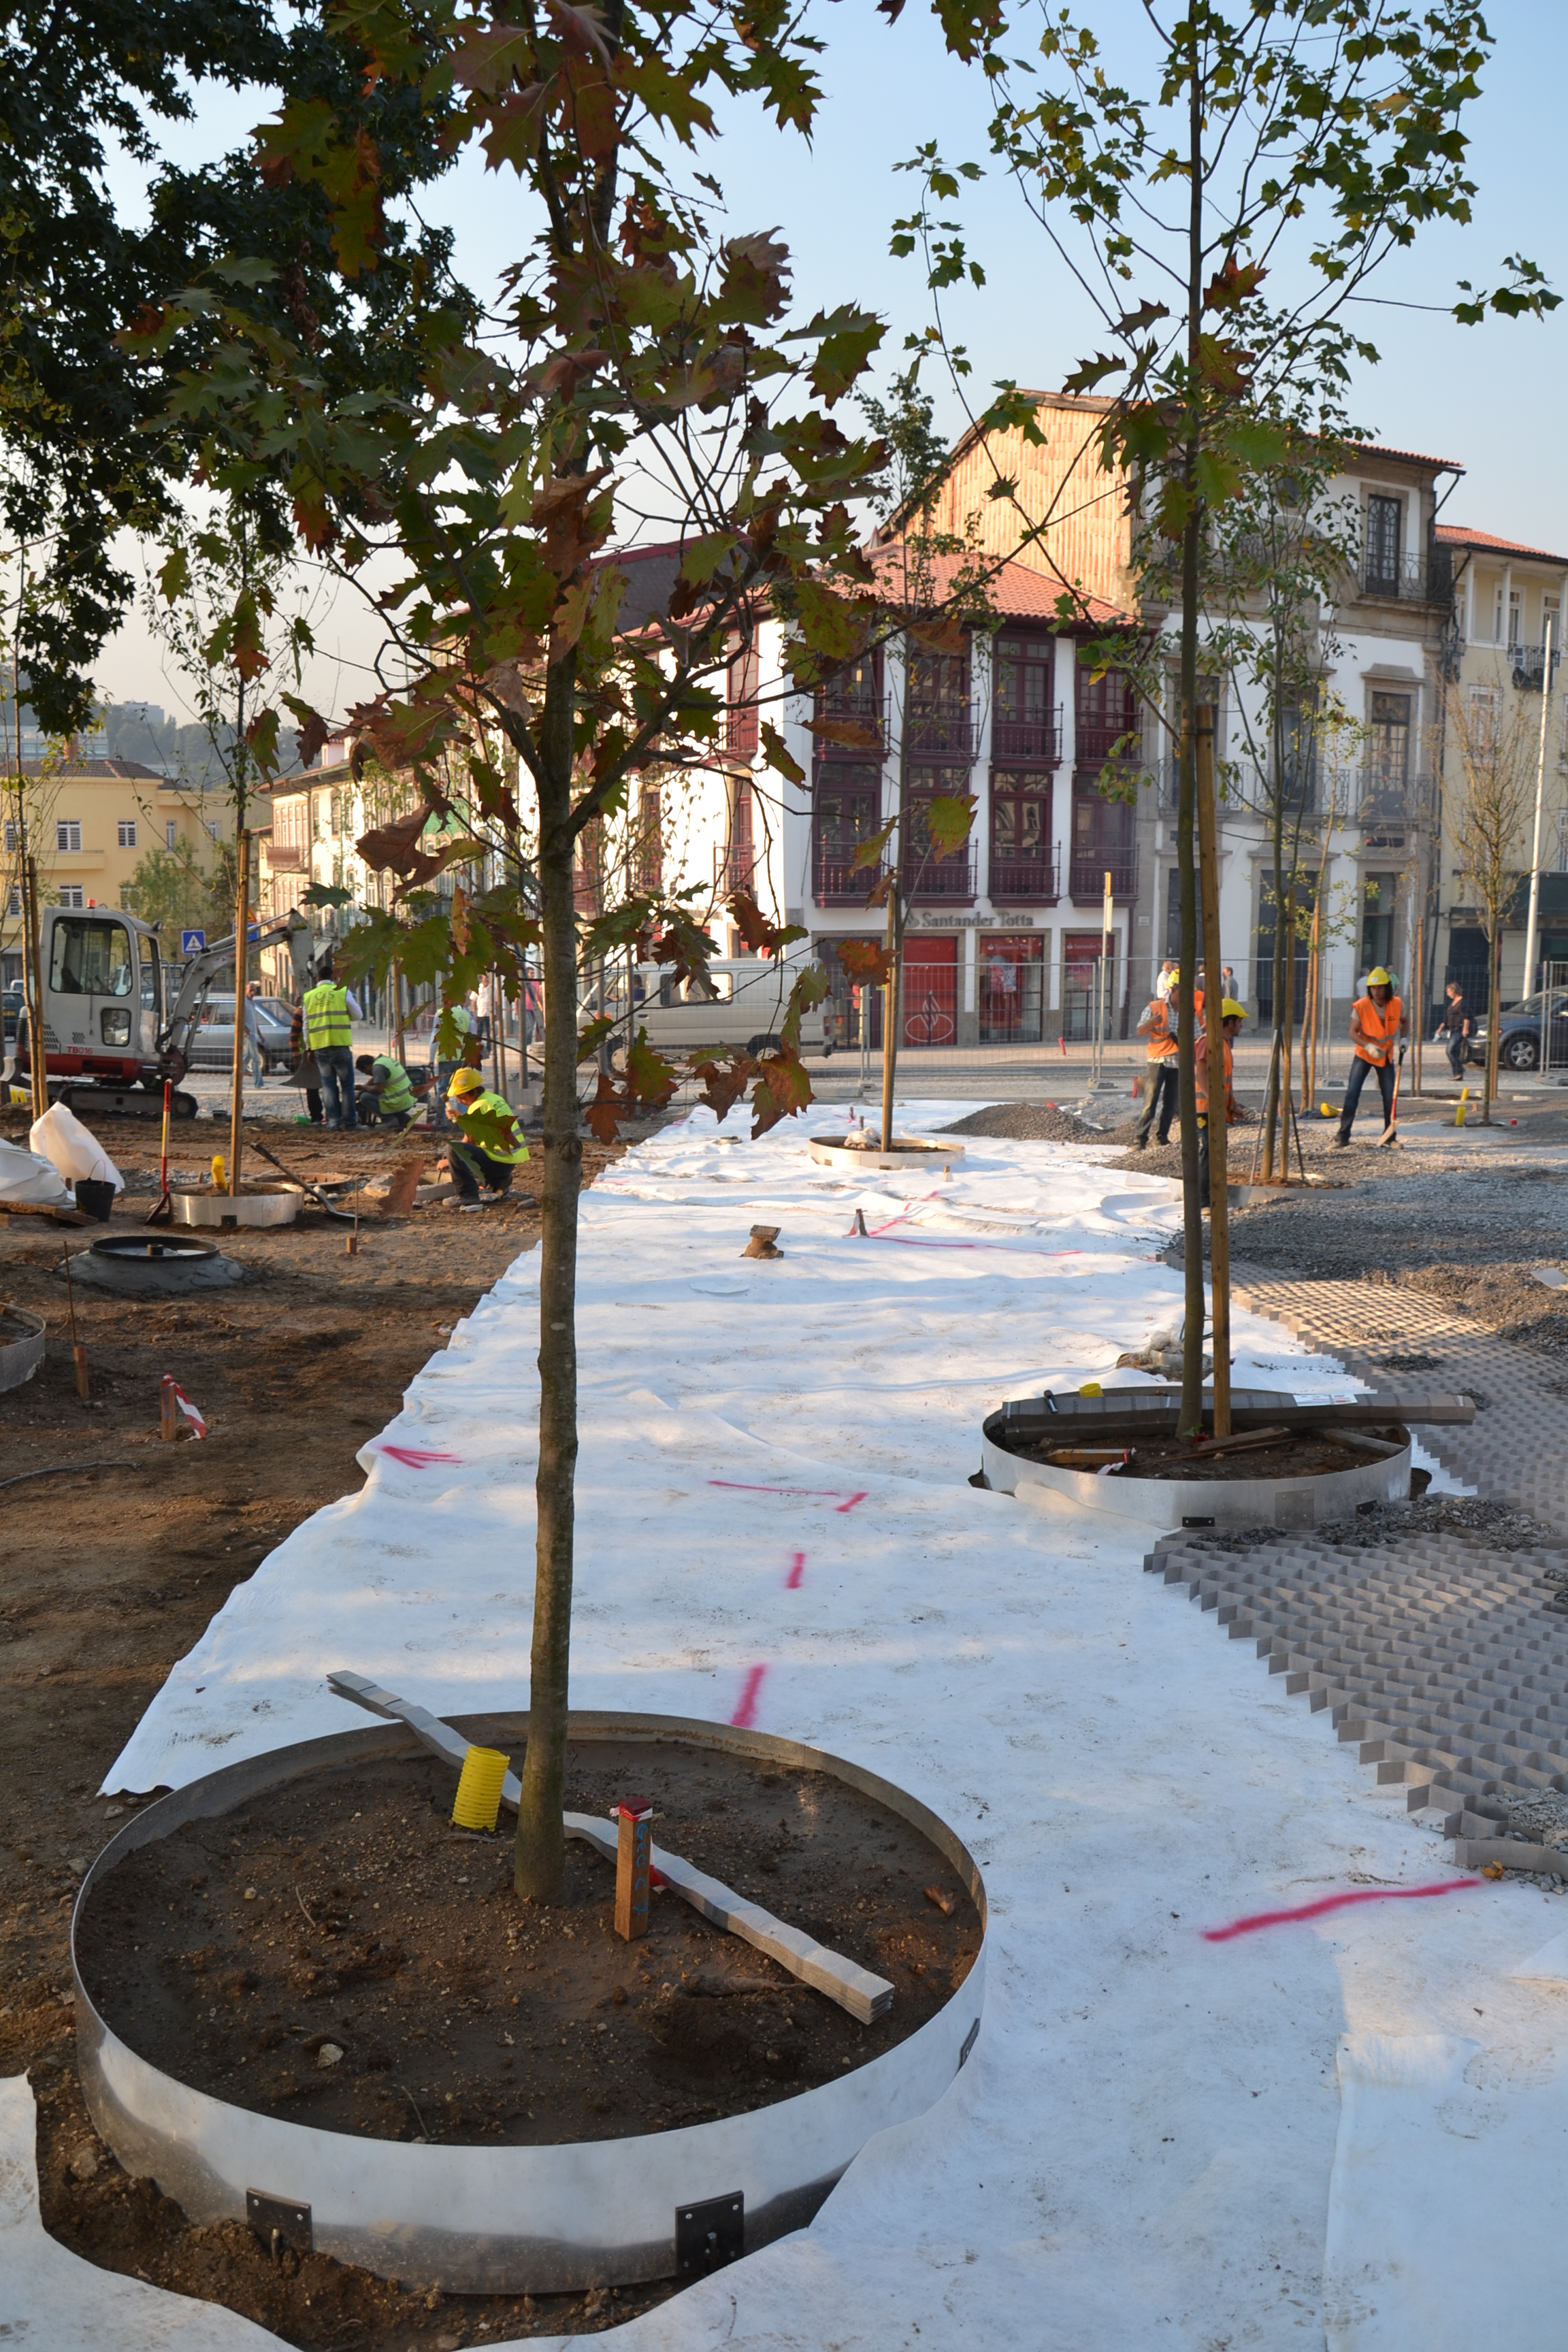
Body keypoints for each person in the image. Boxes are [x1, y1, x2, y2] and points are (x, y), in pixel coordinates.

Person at [1335, 966, 1407, 1147]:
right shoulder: (1361, 1006)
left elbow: (1405, 1021)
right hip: (1364, 1054)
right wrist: (1367, 1046)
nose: (1377, 991)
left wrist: (1404, 1038)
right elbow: (1352, 1032)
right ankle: (1342, 1136)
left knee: (1390, 1097)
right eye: (1373, 988)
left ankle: (1390, 1137)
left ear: (1387, 987)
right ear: (1369, 988)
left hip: (1386, 1056)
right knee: (1352, 1093)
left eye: (1381, 987)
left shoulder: (1397, 1003)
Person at [443, 1066, 529, 1208]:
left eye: (461, 1097)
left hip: (498, 1161)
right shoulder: (492, 1098)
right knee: (468, 1154)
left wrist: (448, 1161)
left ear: (473, 1091)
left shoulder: (478, 1106)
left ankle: (467, 1195)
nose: (459, 1101)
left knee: (454, 1149)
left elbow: (469, 1141)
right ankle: (498, 1182)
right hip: (508, 1161)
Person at [1193, 999, 1245, 1207]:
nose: (1241, 1025)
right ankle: (1204, 1201)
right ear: (1229, 1022)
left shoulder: (1222, 1044)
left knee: (1216, 1152)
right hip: (1206, 1110)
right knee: (1210, 1152)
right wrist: (1214, 1102)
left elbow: (1224, 1079)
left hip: (1216, 1109)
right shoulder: (1209, 1041)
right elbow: (1201, 1074)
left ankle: (1212, 1198)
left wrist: (1232, 1104)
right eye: (1239, 1021)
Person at [304, 956, 358, 1130]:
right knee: (347, 1086)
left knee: (328, 1085)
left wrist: (308, 1048)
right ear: (333, 978)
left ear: (318, 979)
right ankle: (350, 1123)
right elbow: (358, 1015)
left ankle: (333, 1122)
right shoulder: (342, 991)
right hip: (340, 1045)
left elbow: (306, 1025)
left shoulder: (309, 997)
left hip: (320, 1047)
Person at [1134, 975, 1180, 1148]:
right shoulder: (1155, 1007)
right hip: (1157, 1061)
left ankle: (1162, 1137)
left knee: (1171, 1104)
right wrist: (1151, 1022)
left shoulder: (1188, 1010)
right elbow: (1140, 1031)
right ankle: (1140, 1139)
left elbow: (1196, 1038)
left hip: (1177, 1063)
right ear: (1174, 990)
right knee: (1150, 1103)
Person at [429, 1001, 478, 1132]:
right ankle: (463, 1120)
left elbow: (435, 1036)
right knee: (462, 1087)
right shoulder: (466, 1015)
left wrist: (431, 1059)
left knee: (443, 1090)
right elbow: (472, 1037)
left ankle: (440, 1122)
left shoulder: (440, 1014)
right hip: (461, 1056)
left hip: (445, 1056)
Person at [355, 1050, 416, 1129]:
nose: (366, 1074)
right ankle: (401, 1117)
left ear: (367, 1066)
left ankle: (389, 1120)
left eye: (364, 1072)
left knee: (365, 1097)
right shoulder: (383, 1060)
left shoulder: (378, 1068)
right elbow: (375, 1079)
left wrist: (363, 1088)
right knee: (365, 1094)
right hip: (408, 1099)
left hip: (400, 1101)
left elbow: (378, 1090)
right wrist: (359, 1093)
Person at [289, 1000, 322, 1124]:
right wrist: (296, 1055)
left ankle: (322, 1117)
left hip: (320, 1051)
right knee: (313, 1088)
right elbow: (294, 1035)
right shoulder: (301, 1011)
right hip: (309, 1055)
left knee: (326, 1087)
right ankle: (317, 1116)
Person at [1435, 981, 1472, 1081]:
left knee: (1450, 1050)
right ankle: (1458, 1074)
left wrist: (1465, 1029)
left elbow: (1467, 1016)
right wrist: (1440, 1028)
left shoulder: (1463, 1002)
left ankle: (1460, 1070)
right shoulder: (1452, 1003)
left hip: (1460, 1030)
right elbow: (1447, 1017)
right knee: (1454, 1051)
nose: (1448, 994)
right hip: (1453, 1029)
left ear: (1455, 991)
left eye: (1449, 992)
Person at [240, 981, 266, 1089]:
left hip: (253, 1034)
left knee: (246, 1058)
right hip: (248, 1035)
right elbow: (240, 1020)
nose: (252, 992)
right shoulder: (243, 1003)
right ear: (246, 990)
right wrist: (246, 1033)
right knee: (256, 1059)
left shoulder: (252, 1003)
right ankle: (258, 1083)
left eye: (254, 990)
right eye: (250, 990)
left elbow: (254, 1022)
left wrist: (260, 1035)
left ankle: (234, 1080)